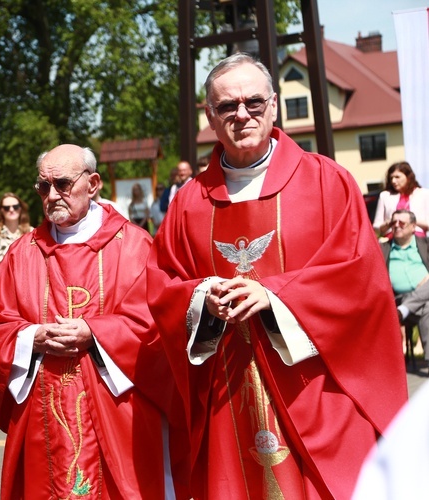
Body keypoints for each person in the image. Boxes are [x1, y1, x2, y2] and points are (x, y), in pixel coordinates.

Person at [146, 53, 407, 499]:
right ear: (210, 116)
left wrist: (276, 297)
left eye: (253, 101)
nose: (241, 114)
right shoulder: (188, 202)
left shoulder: (327, 182)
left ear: (273, 106)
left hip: (313, 389)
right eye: (227, 106)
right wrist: (202, 297)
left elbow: (360, 280)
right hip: (227, 397)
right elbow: (160, 286)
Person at [0, 144, 188, 499]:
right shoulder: (22, 253)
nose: (52, 194)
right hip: (44, 412)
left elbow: (158, 323)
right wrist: (31, 336)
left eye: (62, 183)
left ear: (94, 183)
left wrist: (95, 332)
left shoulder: (133, 246)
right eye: (43, 187)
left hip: (118, 412)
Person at [381, 210, 429, 356]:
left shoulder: (425, 244)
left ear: (413, 226)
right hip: (397, 300)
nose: (397, 226)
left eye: (402, 222)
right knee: (427, 307)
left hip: (410, 304)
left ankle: (404, 309)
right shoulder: (383, 248)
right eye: (393, 223)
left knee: (427, 305)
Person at [373, 161, 429, 238]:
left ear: (408, 177)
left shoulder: (424, 193)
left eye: (397, 177)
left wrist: (409, 221)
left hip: (418, 241)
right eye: (391, 178)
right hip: (391, 241)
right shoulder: (385, 196)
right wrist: (389, 223)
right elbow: (376, 227)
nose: (393, 181)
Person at [0, 192, 32, 263]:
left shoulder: (31, 232)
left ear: (20, 208)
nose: (11, 210)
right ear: (1, 211)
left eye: (15, 206)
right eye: (6, 208)